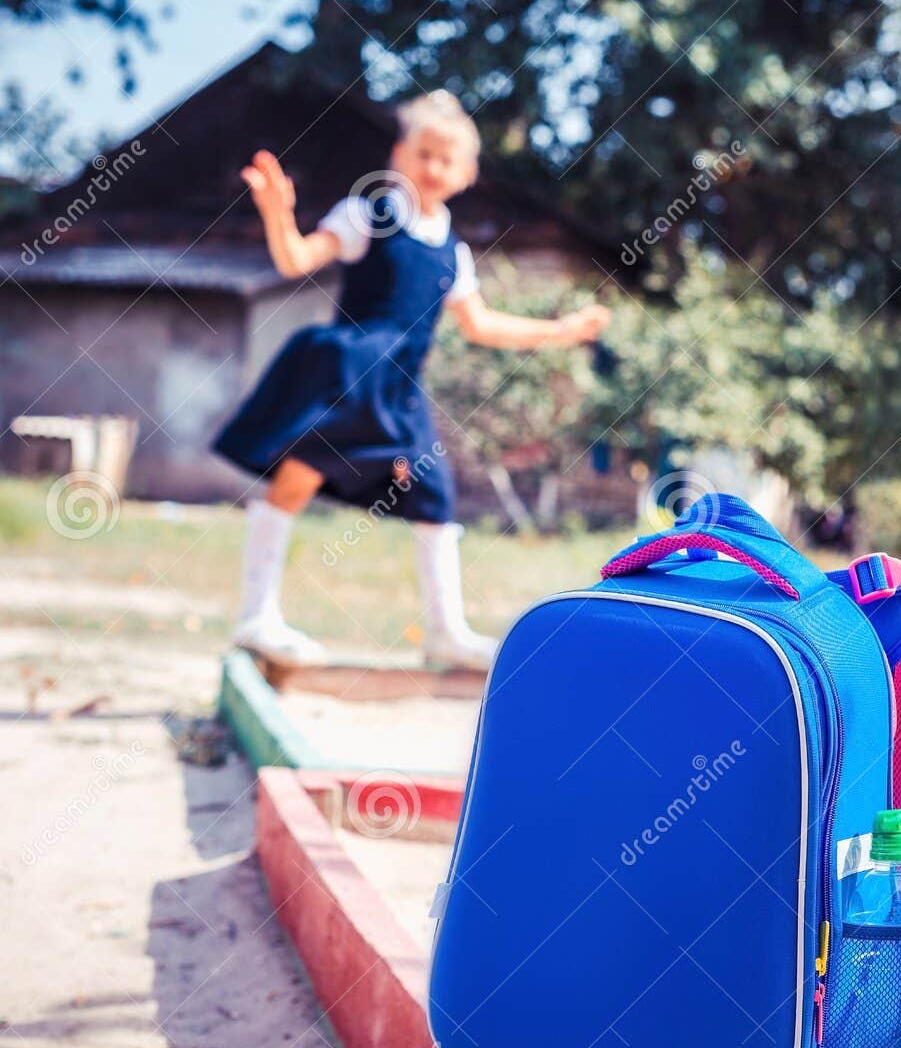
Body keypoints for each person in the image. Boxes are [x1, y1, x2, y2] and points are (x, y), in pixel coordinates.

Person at [213, 90, 611, 669]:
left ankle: (446, 633)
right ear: (399, 154)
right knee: (296, 481)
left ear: (468, 173)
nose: (434, 168)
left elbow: (482, 325)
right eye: (424, 153)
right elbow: (297, 258)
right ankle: (256, 616)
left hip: (401, 389)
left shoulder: (455, 252)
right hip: (348, 374)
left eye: (448, 159)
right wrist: (278, 215)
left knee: (434, 496)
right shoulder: (367, 214)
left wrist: (563, 330)